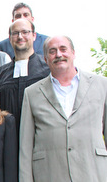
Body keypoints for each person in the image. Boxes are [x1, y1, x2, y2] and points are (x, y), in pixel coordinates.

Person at [19, 36, 107, 182]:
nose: (59, 55)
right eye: (52, 51)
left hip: (93, 172)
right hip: (49, 174)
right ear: (46, 59)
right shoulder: (32, 93)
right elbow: (25, 148)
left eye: (63, 49)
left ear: (73, 53)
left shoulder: (102, 85)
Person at [0, 19, 49, 130]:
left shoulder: (47, 70)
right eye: (15, 33)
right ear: (10, 38)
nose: (20, 36)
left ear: (34, 36)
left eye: (25, 32)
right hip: (8, 137)